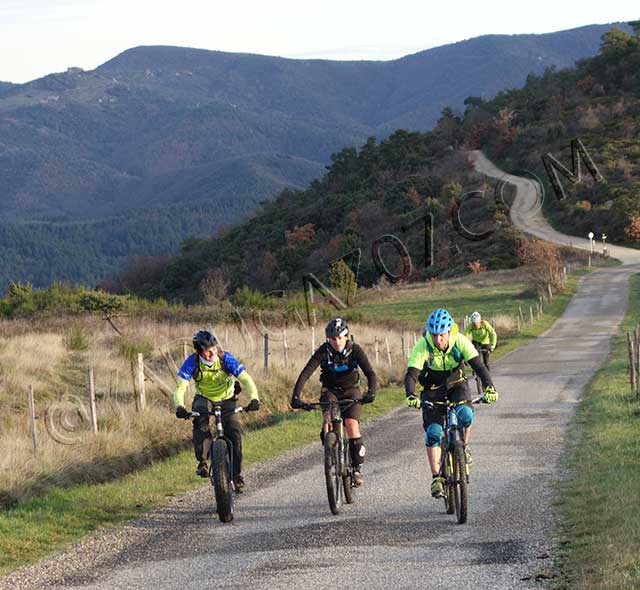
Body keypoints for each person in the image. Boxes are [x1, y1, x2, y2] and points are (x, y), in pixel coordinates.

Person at [404, 308, 498, 499]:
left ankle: (465, 447)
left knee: (466, 415)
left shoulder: (460, 341)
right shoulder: (423, 346)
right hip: (431, 389)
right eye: (434, 335)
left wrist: (490, 388)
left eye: (442, 335)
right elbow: (411, 374)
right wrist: (410, 395)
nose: (439, 339)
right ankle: (436, 477)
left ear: (449, 331)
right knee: (434, 433)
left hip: (457, 385)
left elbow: (479, 366)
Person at [290, 318, 376, 487]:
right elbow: (306, 373)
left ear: (346, 337)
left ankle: (357, 469)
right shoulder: (323, 351)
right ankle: (331, 448)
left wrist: (371, 392)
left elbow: (370, 373)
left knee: (351, 424)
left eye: (340, 338)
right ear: (328, 339)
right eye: (333, 339)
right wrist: (296, 396)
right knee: (328, 416)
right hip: (330, 390)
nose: (337, 342)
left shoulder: (355, 350)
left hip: (351, 389)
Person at [173, 330, 260, 492]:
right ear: (199, 352)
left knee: (234, 431)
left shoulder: (225, 358)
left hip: (227, 398)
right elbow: (180, 387)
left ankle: (236, 474)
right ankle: (203, 461)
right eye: (207, 350)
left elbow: (246, 379)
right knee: (200, 419)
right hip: (204, 397)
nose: (211, 352)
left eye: (213, 347)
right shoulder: (192, 362)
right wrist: (179, 406)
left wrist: (254, 398)